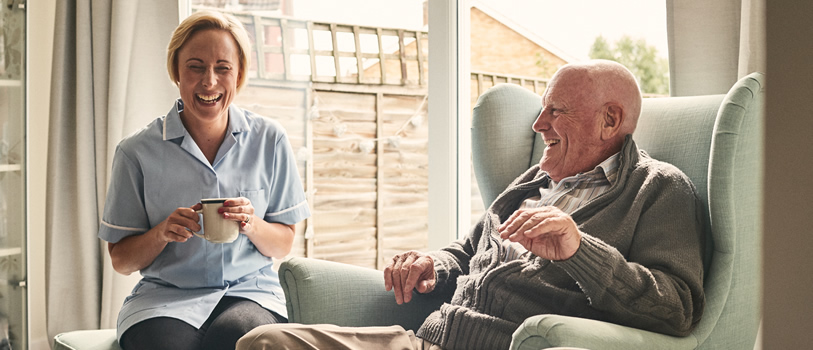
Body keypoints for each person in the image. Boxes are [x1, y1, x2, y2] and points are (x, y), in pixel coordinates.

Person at [236, 60, 706, 350]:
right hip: (430, 338)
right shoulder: (534, 179)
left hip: (513, 344)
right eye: (542, 108)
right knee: (264, 342)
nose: (538, 123)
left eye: (556, 111)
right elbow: (466, 251)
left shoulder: (658, 189)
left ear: (610, 120)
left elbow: (678, 309)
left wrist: (578, 248)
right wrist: (432, 264)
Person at [98, 10, 310, 350]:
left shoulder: (270, 140)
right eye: (195, 66)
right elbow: (121, 259)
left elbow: (283, 242)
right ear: (177, 72)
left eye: (222, 68)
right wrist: (161, 233)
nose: (209, 81)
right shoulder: (136, 152)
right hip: (163, 300)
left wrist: (251, 223)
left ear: (238, 74)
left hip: (250, 293)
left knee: (238, 337)